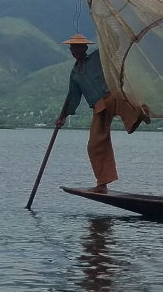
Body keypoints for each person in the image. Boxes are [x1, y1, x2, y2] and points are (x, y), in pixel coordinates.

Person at [55, 34, 150, 193]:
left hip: (112, 96)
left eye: (78, 47)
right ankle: (102, 182)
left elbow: (115, 43)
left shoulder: (98, 57)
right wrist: (62, 117)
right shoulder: (75, 73)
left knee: (125, 103)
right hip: (99, 107)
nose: (75, 50)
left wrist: (107, 27)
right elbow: (73, 97)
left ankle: (139, 113)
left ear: (85, 48)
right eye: (73, 48)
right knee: (94, 145)